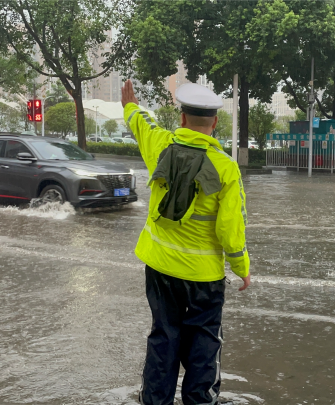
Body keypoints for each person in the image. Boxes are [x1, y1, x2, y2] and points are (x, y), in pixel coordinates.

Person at [121, 80, 251, 405]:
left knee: (164, 338)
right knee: (204, 345)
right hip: (204, 278)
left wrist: (130, 105)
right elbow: (231, 229)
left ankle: (155, 400)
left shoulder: (161, 145)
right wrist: (242, 269)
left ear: (181, 118)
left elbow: (142, 125)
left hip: (160, 268)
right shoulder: (226, 167)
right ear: (215, 123)